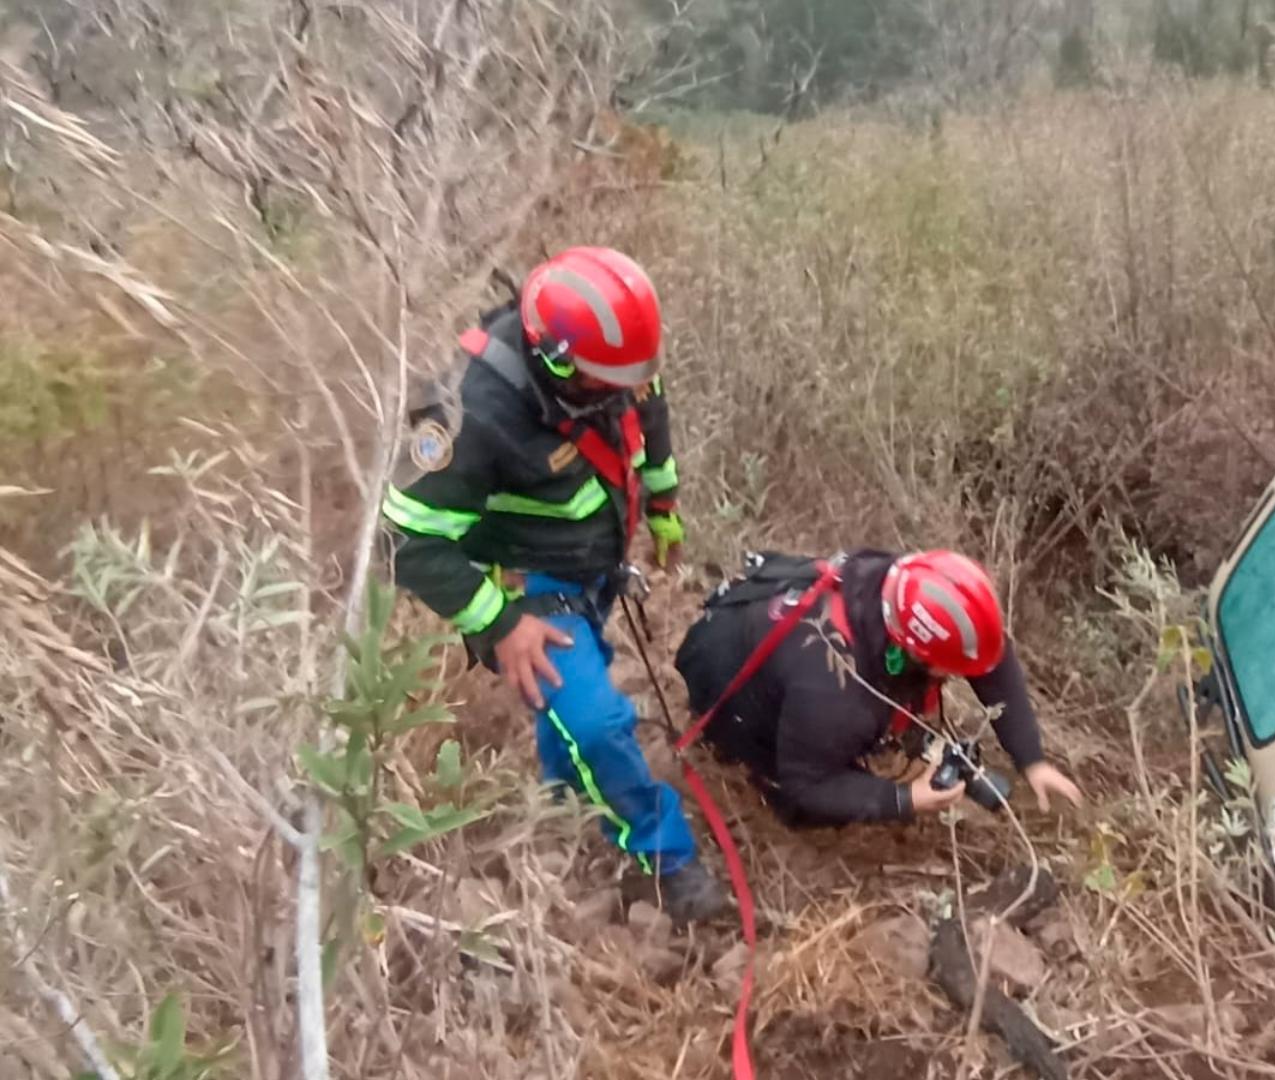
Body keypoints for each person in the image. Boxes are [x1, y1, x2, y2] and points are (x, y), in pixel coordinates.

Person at [380, 247, 727, 924]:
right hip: (528, 583)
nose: (628, 389)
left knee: (574, 721)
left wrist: (663, 508)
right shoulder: (467, 416)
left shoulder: (614, 365)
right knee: (597, 726)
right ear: (559, 364)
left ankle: (567, 798)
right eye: (610, 382)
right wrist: (499, 622)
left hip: (594, 560)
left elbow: (648, 416)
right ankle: (665, 858)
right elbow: (405, 539)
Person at [673, 548, 1085, 826]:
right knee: (804, 810)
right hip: (724, 683)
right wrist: (904, 800)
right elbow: (807, 785)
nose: (964, 675)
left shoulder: (899, 582)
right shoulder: (836, 693)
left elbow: (990, 660)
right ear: (914, 649)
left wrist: (1032, 758)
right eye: (952, 669)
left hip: (761, 630)